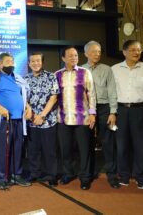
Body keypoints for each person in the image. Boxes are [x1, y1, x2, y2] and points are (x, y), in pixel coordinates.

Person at [55, 46, 96, 190]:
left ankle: (85, 177)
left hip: (82, 118)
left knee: (84, 150)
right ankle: (68, 173)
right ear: (63, 58)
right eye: (71, 56)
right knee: (65, 149)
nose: (74, 58)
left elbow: (91, 93)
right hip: (63, 118)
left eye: (76, 55)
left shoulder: (85, 72)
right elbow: (54, 97)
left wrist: (92, 113)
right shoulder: (57, 75)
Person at [82, 41, 120, 189]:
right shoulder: (81, 70)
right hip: (86, 110)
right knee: (87, 143)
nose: (97, 54)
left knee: (108, 143)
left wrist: (113, 112)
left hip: (104, 108)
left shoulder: (107, 69)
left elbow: (112, 91)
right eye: (93, 51)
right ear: (86, 54)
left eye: (99, 51)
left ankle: (112, 175)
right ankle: (87, 175)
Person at [0, 53, 31, 190]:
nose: (12, 64)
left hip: (19, 119)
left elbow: (25, 95)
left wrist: (28, 107)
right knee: (3, 149)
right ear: (1, 64)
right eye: (8, 62)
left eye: (13, 61)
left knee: (18, 148)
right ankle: (0, 177)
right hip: (4, 120)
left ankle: (16, 174)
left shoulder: (18, 78)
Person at [111, 40, 143, 190]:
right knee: (121, 145)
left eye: (139, 50)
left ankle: (140, 176)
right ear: (124, 52)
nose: (136, 52)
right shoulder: (114, 69)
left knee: (140, 145)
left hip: (140, 110)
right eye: (132, 50)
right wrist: (113, 113)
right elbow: (111, 93)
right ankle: (123, 175)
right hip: (121, 110)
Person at [25, 52, 59, 187]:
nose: (35, 63)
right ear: (29, 64)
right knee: (33, 150)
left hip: (48, 121)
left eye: (38, 61)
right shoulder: (25, 79)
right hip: (31, 121)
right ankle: (34, 174)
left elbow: (53, 97)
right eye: (32, 61)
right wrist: (32, 114)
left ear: (42, 62)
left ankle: (52, 175)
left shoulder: (51, 77)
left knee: (49, 150)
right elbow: (23, 99)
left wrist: (42, 115)